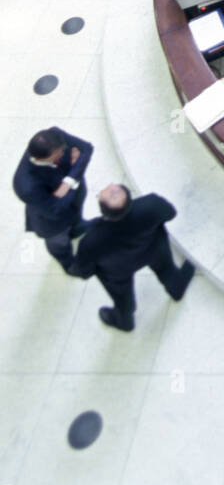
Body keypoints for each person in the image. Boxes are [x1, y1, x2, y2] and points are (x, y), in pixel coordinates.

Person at [69, 183, 195, 332]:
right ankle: (177, 288)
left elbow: (83, 270)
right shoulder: (150, 204)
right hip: (154, 248)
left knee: (122, 297)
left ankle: (124, 321)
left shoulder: (91, 240)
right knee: (167, 269)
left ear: (103, 210)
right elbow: (171, 213)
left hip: (116, 270)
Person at [12, 127, 94, 273]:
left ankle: (77, 228)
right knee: (59, 245)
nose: (64, 154)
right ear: (40, 159)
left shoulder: (54, 135)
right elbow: (54, 209)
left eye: (63, 150)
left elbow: (87, 148)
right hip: (53, 223)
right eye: (59, 154)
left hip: (73, 201)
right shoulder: (25, 184)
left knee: (76, 218)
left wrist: (67, 183)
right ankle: (68, 265)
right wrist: (75, 171)